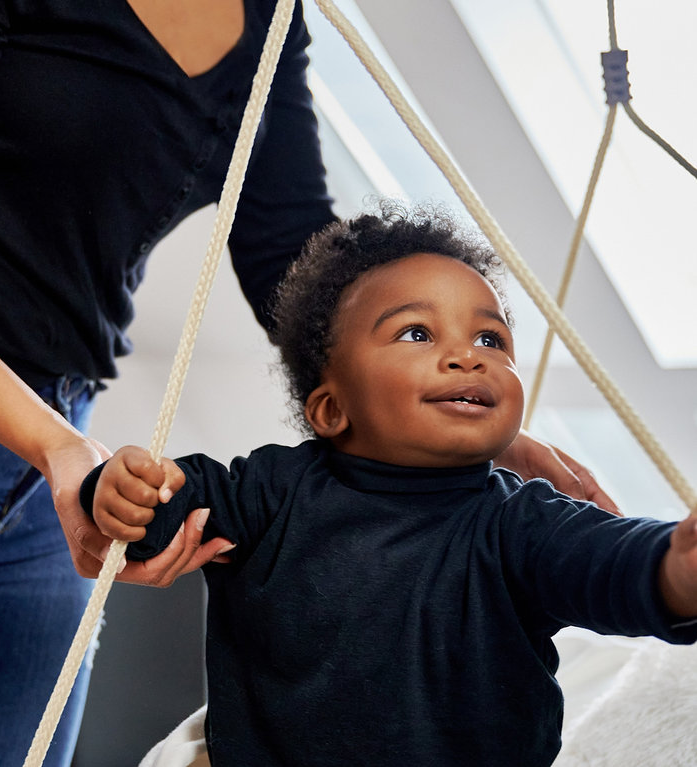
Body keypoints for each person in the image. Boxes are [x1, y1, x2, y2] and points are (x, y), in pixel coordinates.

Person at [0, 1, 613, 765]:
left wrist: (461, 424)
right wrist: (56, 446)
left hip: (48, 446)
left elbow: (289, 251)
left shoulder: (268, 14)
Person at [88, 202, 697, 766]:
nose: (468, 356)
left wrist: (675, 569)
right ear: (330, 409)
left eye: (490, 339)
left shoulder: (525, 523)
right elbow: (162, 513)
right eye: (416, 333)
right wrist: (119, 491)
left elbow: (612, 562)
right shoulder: (270, 491)